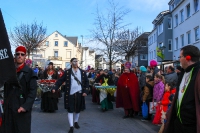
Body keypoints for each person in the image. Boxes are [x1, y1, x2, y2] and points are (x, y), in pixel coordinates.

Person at [164, 45, 200, 133]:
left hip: (191, 126)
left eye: (180, 57)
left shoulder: (198, 74)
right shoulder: (183, 73)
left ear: (188, 57)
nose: (179, 59)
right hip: (178, 123)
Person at [3, 46, 37, 133]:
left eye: (22, 54)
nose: (20, 56)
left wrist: (25, 107)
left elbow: (33, 92)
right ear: (15, 56)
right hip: (9, 109)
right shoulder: (9, 72)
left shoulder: (30, 73)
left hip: (21, 110)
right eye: (17, 54)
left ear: (25, 56)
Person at [52, 58, 89, 133]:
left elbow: (86, 82)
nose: (75, 63)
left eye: (76, 61)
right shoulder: (68, 72)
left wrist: (85, 91)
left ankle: (76, 122)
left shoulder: (82, 72)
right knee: (70, 109)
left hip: (79, 93)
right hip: (70, 93)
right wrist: (55, 87)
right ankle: (71, 126)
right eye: (74, 61)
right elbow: (60, 80)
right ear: (71, 63)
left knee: (78, 109)